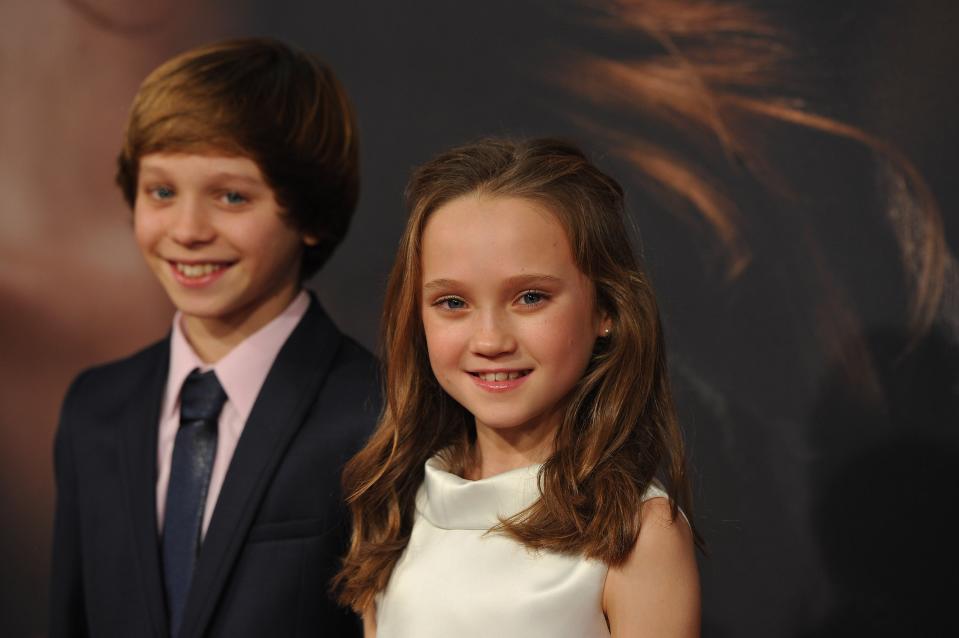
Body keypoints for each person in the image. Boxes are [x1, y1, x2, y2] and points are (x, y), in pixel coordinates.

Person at [49, 38, 378, 637]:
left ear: (313, 215)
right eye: (162, 192)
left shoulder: (379, 415)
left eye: (231, 196)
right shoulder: (95, 410)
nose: (188, 230)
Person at [336, 138, 701, 637]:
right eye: (452, 302)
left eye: (530, 297)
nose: (489, 340)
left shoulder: (637, 533)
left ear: (607, 309)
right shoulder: (397, 507)